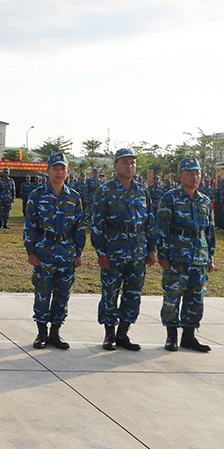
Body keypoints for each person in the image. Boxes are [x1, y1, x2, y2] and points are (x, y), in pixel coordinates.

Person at [90, 148, 156, 351]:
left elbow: (149, 221)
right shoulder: (105, 190)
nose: (130, 166)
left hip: (137, 252)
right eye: (125, 162)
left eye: (132, 163)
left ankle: (123, 333)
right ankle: (109, 334)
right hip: (113, 251)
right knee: (110, 292)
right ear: (115, 165)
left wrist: (151, 249)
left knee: (133, 294)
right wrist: (101, 252)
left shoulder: (142, 190)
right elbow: (96, 223)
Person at [23, 153, 85, 350]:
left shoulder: (74, 197)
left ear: (67, 171)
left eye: (62, 168)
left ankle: (55, 333)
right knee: (42, 293)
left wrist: (79, 253)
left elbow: (80, 227)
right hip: (43, 252)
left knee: (62, 294)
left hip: (67, 253)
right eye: (55, 168)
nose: (59, 172)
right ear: (47, 170)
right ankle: (41, 333)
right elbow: (30, 225)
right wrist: (30, 251)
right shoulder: (37, 195)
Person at [156, 157, 216, 352]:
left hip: (199, 257)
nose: (194, 177)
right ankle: (171, 335)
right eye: (189, 173)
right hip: (176, 256)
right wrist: (162, 255)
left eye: (197, 173)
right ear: (180, 176)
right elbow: (162, 228)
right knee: (172, 296)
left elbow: (209, 231)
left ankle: (189, 336)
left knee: (196, 298)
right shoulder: (170, 198)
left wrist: (210, 256)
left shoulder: (204, 200)